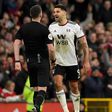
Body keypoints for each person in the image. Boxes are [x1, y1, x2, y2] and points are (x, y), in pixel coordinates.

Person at [49, 4, 90, 112]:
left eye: (57, 11)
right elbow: (49, 46)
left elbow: (85, 45)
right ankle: (66, 111)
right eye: (54, 12)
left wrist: (86, 61)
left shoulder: (74, 26)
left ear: (64, 12)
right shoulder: (51, 27)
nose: (55, 14)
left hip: (72, 61)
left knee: (74, 87)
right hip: (58, 61)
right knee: (58, 84)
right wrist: (51, 60)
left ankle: (76, 110)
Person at [14, 5, 55, 112]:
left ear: (31, 15)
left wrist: (17, 60)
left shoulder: (23, 28)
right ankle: (36, 107)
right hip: (43, 62)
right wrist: (53, 60)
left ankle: (35, 108)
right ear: (41, 15)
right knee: (42, 89)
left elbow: (16, 43)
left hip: (30, 62)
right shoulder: (44, 29)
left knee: (36, 89)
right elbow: (51, 49)